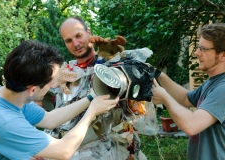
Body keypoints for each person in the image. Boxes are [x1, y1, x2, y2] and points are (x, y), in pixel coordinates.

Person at [0, 40, 119, 160]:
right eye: (51, 84)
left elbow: (50, 119)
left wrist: (91, 97)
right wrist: (91, 113)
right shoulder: (3, 121)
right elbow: (63, 151)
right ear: (33, 90)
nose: (53, 86)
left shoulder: (9, 95)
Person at [54, 16, 157, 160]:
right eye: (68, 40)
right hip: (83, 154)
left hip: (120, 151)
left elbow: (140, 108)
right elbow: (56, 119)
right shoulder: (65, 76)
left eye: (78, 36)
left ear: (89, 34)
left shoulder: (116, 65)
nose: (75, 43)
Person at [152, 23, 225, 160]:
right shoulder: (213, 81)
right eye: (198, 47)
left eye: (203, 49)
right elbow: (185, 98)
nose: (197, 53)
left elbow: (191, 126)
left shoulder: (222, 88)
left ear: (223, 56)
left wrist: (165, 98)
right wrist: (157, 74)